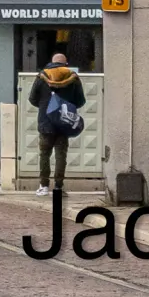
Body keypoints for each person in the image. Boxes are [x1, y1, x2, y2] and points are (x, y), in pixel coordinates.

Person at [29, 48, 86, 194]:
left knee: (44, 154)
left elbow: (32, 99)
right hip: (64, 122)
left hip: (45, 122)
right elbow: (80, 101)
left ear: (51, 62)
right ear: (65, 63)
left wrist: (45, 107)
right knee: (61, 155)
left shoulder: (41, 76)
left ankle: (44, 186)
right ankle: (59, 187)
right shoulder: (73, 78)